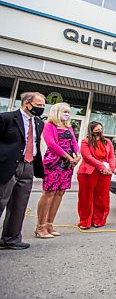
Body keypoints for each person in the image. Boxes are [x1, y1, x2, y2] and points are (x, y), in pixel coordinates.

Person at [0, 92, 45, 249]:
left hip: (28, 165)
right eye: (39, 105)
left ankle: (10, 239)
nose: (42, 108)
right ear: (27, 103)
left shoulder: (39, 123)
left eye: (43, 106)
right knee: (1, 200)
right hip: (8, 165)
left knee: (19, 204)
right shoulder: (6, 119)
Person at [35, 102, 81, 238]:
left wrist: (78, 156)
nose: (67, 114)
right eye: (64, 111)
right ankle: (40, 226)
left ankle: (50, 224)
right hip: (54, 162)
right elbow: (52, 144)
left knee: (60, 192)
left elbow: (74, 142)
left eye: (68, 112)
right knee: (49, 192)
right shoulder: (49, 125)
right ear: (56, 112)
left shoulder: (68, 127)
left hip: (67, 164)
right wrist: (68, 156)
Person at [77, 121, 115, 229]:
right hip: (89, 172)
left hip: (105, 173)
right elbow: (87, 157)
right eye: (97, 129)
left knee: (102, 197)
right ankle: (85, 221)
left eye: (101, 129)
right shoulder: (85, 142)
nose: (99, 131)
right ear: (91, 130)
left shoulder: (107, 142)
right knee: (86, 197)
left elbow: (112, 157)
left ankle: (98, 220)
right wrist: (101, 166)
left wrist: (111, 168)